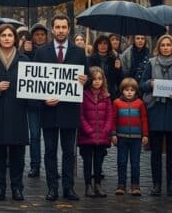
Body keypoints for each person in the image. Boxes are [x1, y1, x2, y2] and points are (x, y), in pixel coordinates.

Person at [33, 14, 88, 202]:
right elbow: (35, 83)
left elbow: (86, 80)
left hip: (69, 111)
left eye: (64, 27)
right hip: (48, 110)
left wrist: (85, 80)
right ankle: (52, 188)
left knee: (69, 152)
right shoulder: (41, 52)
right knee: (49, 150)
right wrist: (43, 99)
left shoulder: (79, 53)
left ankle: (68, 187)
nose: (61, 30)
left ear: (69, 29)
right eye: (57, 27)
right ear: (52, 29)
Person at [0, 24, 29, 201]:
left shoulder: (24, 60)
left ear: (15, 38)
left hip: (18, 112)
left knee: (18, 153)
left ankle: (17, 188)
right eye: (3, 35)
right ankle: (0, 188)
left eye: (10, 35)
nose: (7, 38)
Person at [140, 34, 172, 196]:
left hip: (171, 112)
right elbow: (142, 85)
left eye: (168, 45)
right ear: (158, 47)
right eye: (163, 45)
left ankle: (171, 186)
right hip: (156, 111)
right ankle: (156, 184)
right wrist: (150, 83)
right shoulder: (151, 63)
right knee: (156, 152)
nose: (166, 47)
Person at [78, 66, 113, 198]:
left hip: (102, 136)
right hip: (87, 136)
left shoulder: (107, 96)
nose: (97, 81)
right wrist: (89, 131)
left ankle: (98, 184)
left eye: (99, 79)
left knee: (99, 161)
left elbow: (110, 116)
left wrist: (106, 130)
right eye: (94, 79)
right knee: (87, 161)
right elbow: (80, 116)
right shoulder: (84, 95)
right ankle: (88, 185)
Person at [110, 78, 148, 196]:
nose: (129, 92)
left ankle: (135, 185)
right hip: (121, 137)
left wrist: (145, 135)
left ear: (136, 91)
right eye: (127, 90)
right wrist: (113, 134)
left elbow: (144, 119)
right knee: (121, 162)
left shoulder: (140, 103)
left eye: (132, 90)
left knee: (135, 162)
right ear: (122, 90)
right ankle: (121, 185)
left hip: (136, 138)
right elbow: (113, 119)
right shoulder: (116, 102)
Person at [27, 22, 49, 178]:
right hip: (33, 102)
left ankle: (50, 165)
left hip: (49, 102)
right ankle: (35, 165)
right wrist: (27, 54)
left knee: (49, 137)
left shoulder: (50, 52)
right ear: (32, 37)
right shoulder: (25, 51)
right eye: (37, 34)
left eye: (42, 34)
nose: (40, 37)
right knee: (34, 136)